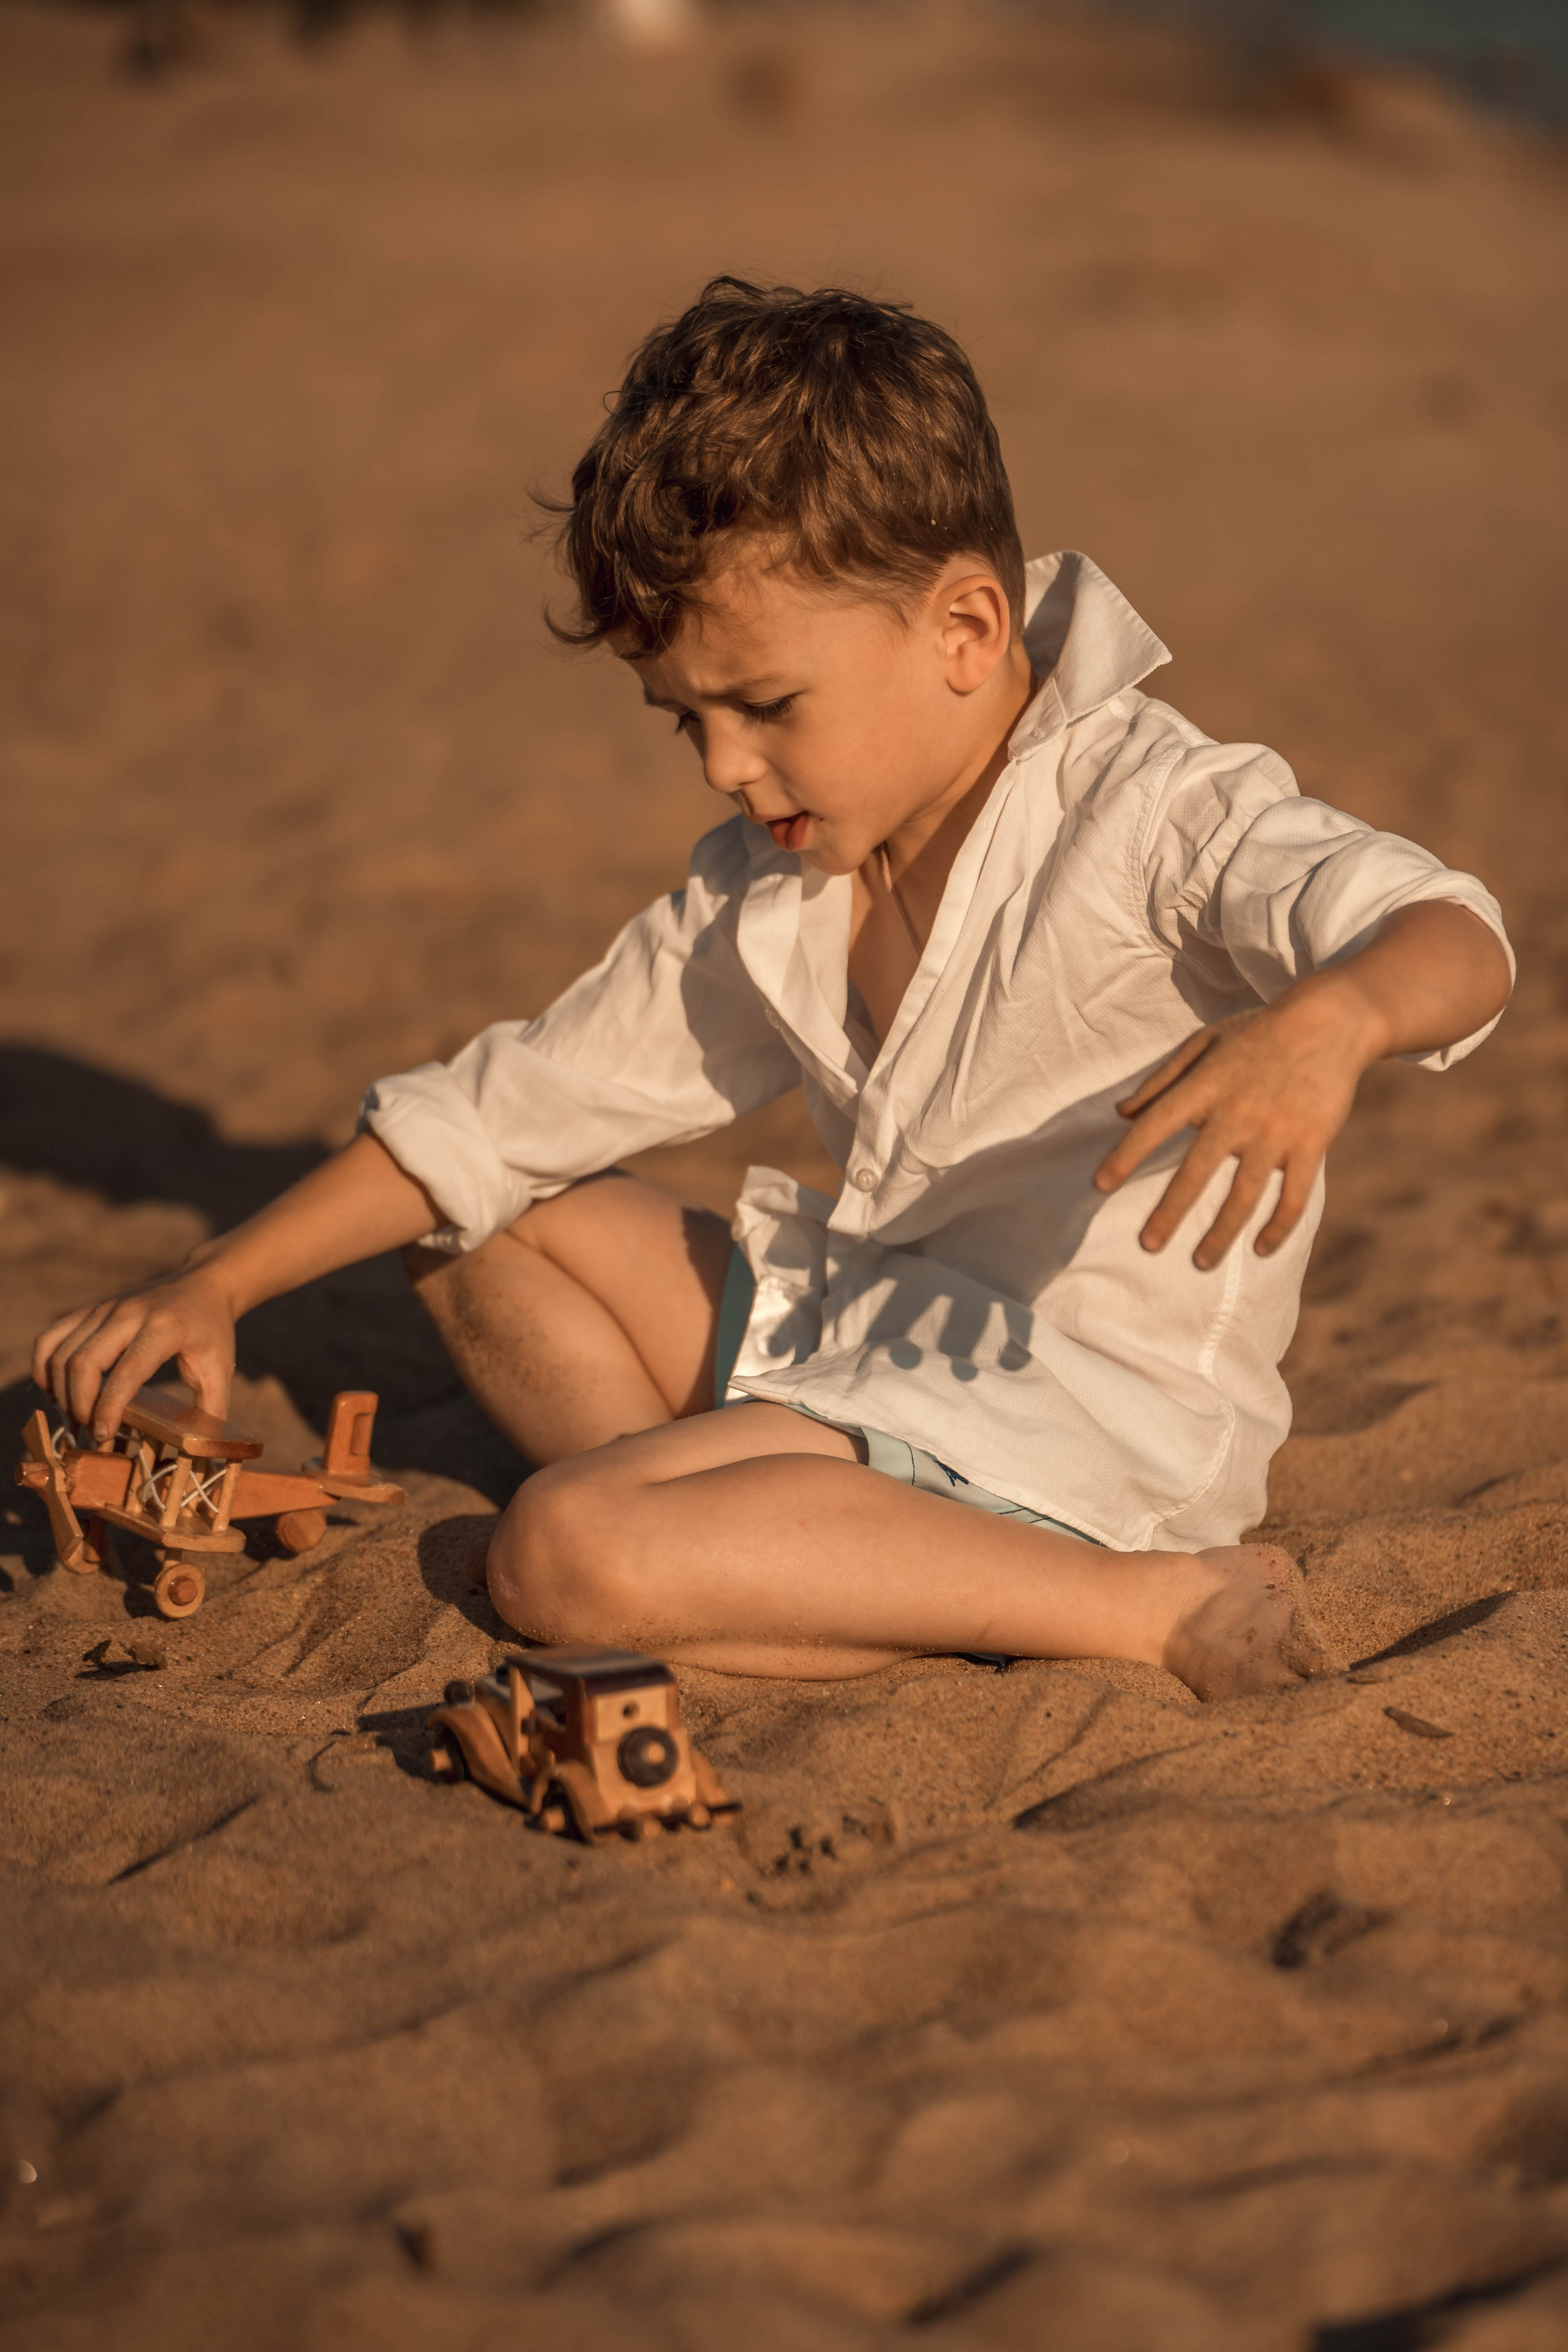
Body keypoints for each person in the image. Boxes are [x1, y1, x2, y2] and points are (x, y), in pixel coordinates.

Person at [33, 279, 1514, 1700]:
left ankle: (1132, 1609)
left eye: (765, 707)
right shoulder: (782, 872)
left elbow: (1448, 933)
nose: (727, 769)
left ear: (964, 632)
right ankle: (778, 1547)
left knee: (556, 1552)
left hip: (1078, 1425)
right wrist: (215, 1279)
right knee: (485, 1222)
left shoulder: (1149, 813)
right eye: (685, 720)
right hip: (875, 1333)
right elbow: (503, 1112)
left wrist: (1334, 1019)